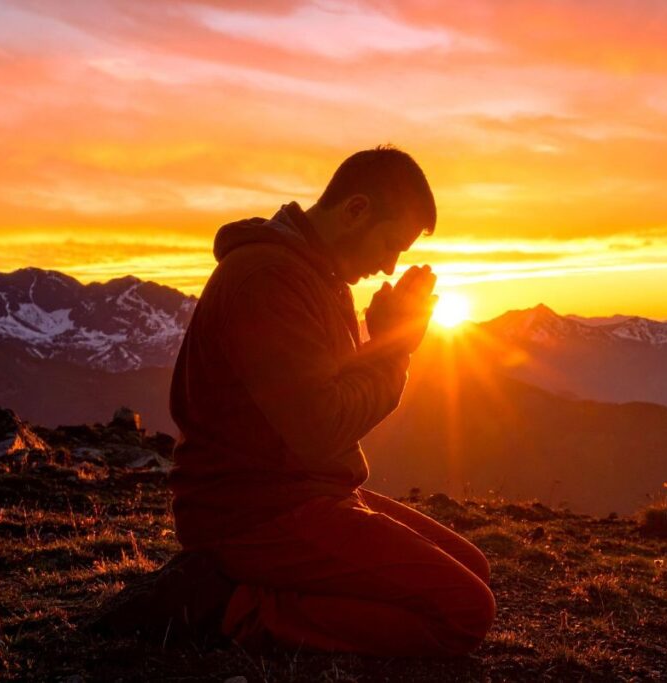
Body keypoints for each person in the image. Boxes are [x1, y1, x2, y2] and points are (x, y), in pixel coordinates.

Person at [167, 146, 495, 655]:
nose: (389, 265)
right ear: (356, 210)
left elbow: (320, 402)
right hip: (251, 511)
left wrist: (383, 339)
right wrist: (395, 353)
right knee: (465, 611)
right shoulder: (268, 280)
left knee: (474, 569)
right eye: (390, 244)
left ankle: (280, 588)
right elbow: (320, 428)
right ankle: (235, 605)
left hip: (302, 488)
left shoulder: (316, 274)